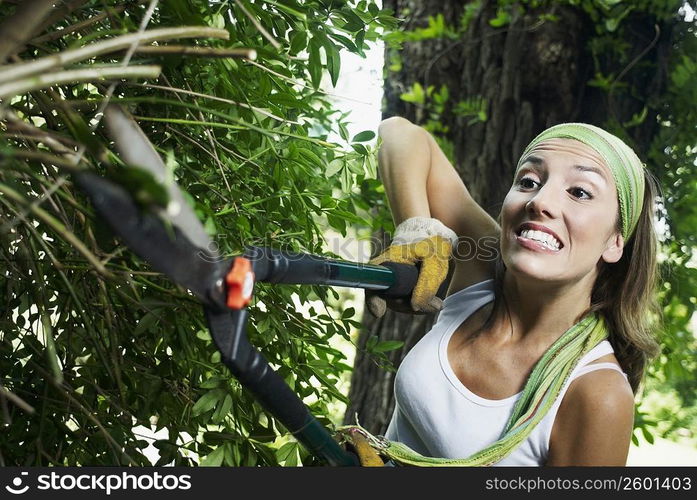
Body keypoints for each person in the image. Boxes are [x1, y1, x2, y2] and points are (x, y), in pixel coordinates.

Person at [358, 117, 661, 466]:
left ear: (614, 242)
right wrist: (417, 230)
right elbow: (398, 133)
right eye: (529, 181)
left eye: (579, 192)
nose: (540, 201)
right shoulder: (483, 276)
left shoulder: (597, 393)